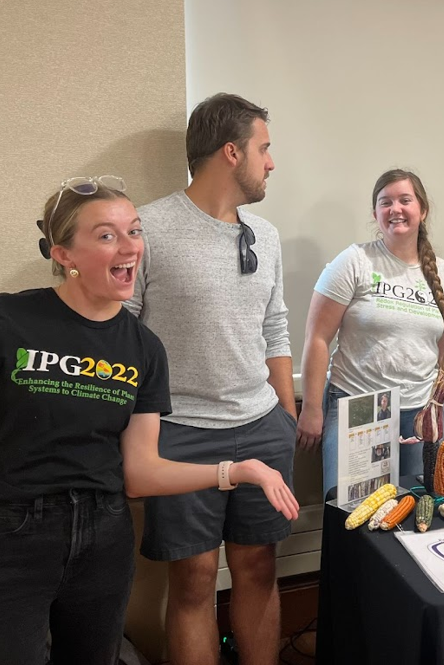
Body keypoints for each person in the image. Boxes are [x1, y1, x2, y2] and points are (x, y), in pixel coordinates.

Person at [0, 178, 288, 665]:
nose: (130, 247)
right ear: (64, 254)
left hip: (103, 536)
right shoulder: (5, 319)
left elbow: (140, 472)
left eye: (135, 231)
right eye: (106, 235)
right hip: (5, 536)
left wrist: (236, 471)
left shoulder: (144, 348)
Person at [126, 94, 300, 665]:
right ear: (231, 152)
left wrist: (285, 416)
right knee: (195, 580)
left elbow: (275, 327)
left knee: (258, 568)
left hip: (261, 426)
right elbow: (121, 335)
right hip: (180, 433)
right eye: (263, 148)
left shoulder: (265, 235)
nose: (271, 162)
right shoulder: (147, 228)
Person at [296, 169, 444, 497]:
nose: (394, 209)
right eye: (385, 202)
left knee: (415, 508)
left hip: (420, 414)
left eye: (405, 200)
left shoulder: (443, 273)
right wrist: (312, 408)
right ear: (375, 214)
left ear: (423, 210)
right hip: (358, 407)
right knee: (351, 512)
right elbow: (317, 339)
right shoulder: (353, 261)